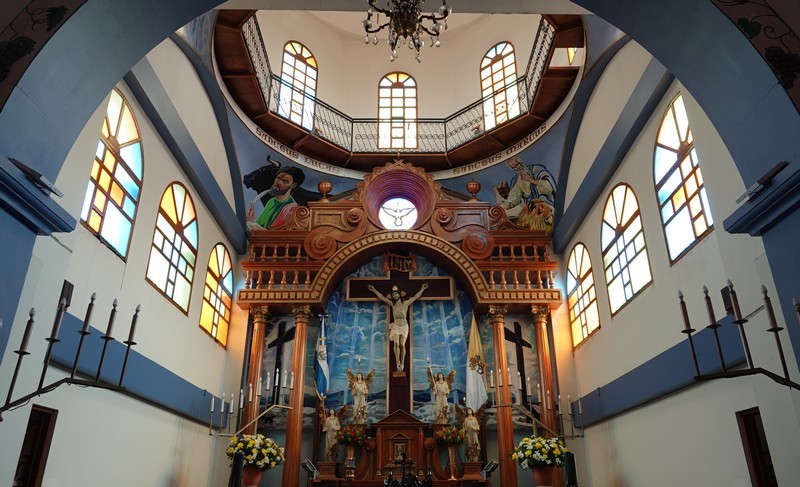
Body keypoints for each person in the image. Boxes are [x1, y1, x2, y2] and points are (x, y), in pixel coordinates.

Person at [366, 283, 428, 371]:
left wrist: (423, 288)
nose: (394, 295)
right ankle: (397, 362)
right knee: (396, 344)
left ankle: (402, 363)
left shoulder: (406, 303)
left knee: (402, 345)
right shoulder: (392, 304)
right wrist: (373, 290)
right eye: (393, 295)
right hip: (395, 326)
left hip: (404, 326)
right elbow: (382, 298)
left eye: (396, 294)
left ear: (399, 295)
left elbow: (416, 297)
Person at [492, 157, 555, 227]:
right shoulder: (519, 178)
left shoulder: (535, 169)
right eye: (513, 167)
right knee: (508, 212)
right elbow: (514, 196)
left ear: (521, 162)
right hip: (528, 205)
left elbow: (549, 188)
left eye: (516, 165)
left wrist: (530, 179)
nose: (516, 168)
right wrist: (503, 205)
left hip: (543, 201)